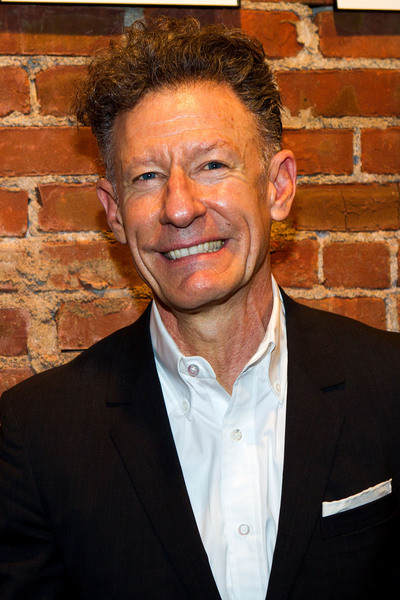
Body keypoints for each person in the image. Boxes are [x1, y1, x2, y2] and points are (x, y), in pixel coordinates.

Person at [0, 17, 399, 600]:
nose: (179, 207)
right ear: (114, 212)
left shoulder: (389, 386)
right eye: (147, 176)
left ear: (278, 187)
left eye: (212, 165)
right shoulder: (36, 437)